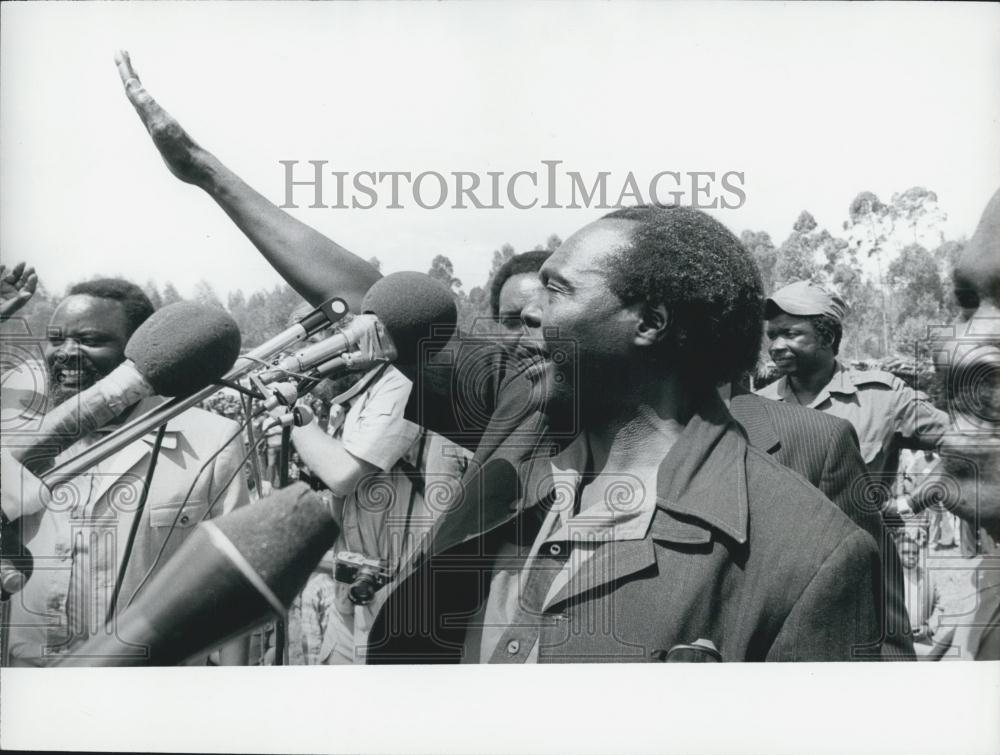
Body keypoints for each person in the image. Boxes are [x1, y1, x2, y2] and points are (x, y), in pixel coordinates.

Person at [115, 55, 882, 661]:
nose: (527, 316)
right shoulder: (524, 403)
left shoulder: (808, 543)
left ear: (649, 322)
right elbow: (370, 296)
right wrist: (206, 171)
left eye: (556, 290)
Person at [1, 278, 251, 666]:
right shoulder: (18, 432)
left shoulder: (210, 439)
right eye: (55, 339)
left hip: (151, 681)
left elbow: (232, 577)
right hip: (33, 674)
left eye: (90, 340)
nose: (66, 353)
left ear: (141, 350)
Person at [757, 280, 951, 486]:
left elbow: (970, 446)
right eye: (772, 336)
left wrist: (912, 502)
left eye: (790, 334)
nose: (775, 347)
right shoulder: (757, 407)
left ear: (827, 337)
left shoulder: (882, 398)